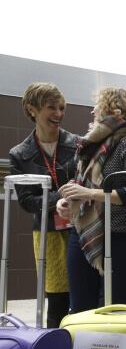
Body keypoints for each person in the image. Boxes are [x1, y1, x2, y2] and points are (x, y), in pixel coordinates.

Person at [56, 87, 126, 313]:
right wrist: (67, 201)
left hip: (120, 235)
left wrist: (88, 194)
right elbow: (79, 183)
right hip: (83, 232)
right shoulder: (92, 145)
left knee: (115, 307)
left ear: (112, 110)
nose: (93, 112)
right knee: (79, 307)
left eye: (98, 106)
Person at [9, 83, 78, 326]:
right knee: (56, 301)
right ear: (32, 110)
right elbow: (27, 201)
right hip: (48, 235)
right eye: (51, 107)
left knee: (83, 299)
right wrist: (57, 198)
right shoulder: (19, 154)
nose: (58, 114)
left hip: (81, 229)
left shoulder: (79, 145)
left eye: (61, 108)